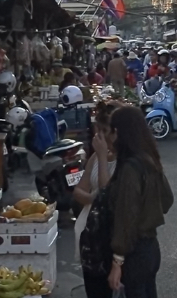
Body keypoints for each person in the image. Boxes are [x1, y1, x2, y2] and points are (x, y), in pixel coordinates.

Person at [106, 107, 174, 297]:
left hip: (134, 254)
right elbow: (167, 200)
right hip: (151, 248)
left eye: (110, 132)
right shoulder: (150, 161)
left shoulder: (130, 169)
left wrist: (117, 262)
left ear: (117, 133)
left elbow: (126, 216)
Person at [75, 102, 118, 268]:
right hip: (90, 235)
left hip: (110, 238)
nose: (100, 136)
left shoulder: (124, 162)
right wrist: (91, 197)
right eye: (97, 130)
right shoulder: (95, 158)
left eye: (104, 131)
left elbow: (106, 192)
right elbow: (79, 191)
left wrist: (101, 156)